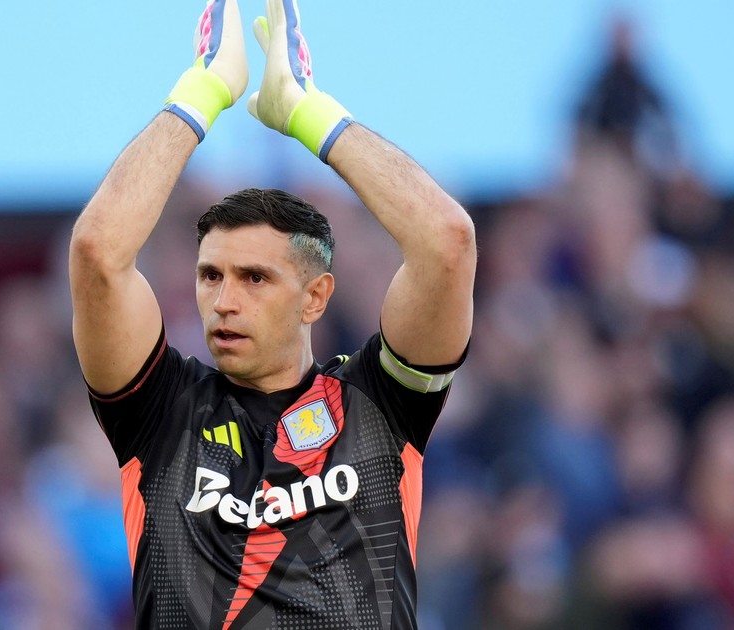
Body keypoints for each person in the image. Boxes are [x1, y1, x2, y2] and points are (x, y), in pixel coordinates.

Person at [68, 1, 475, 627]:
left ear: (316, 296)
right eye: (211, 276)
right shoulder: (161, 412)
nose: (224, 300)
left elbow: (447, 242)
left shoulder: (377, 404)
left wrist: (309, 112)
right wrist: (203, 91)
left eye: (255, 278)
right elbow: (98, 252)